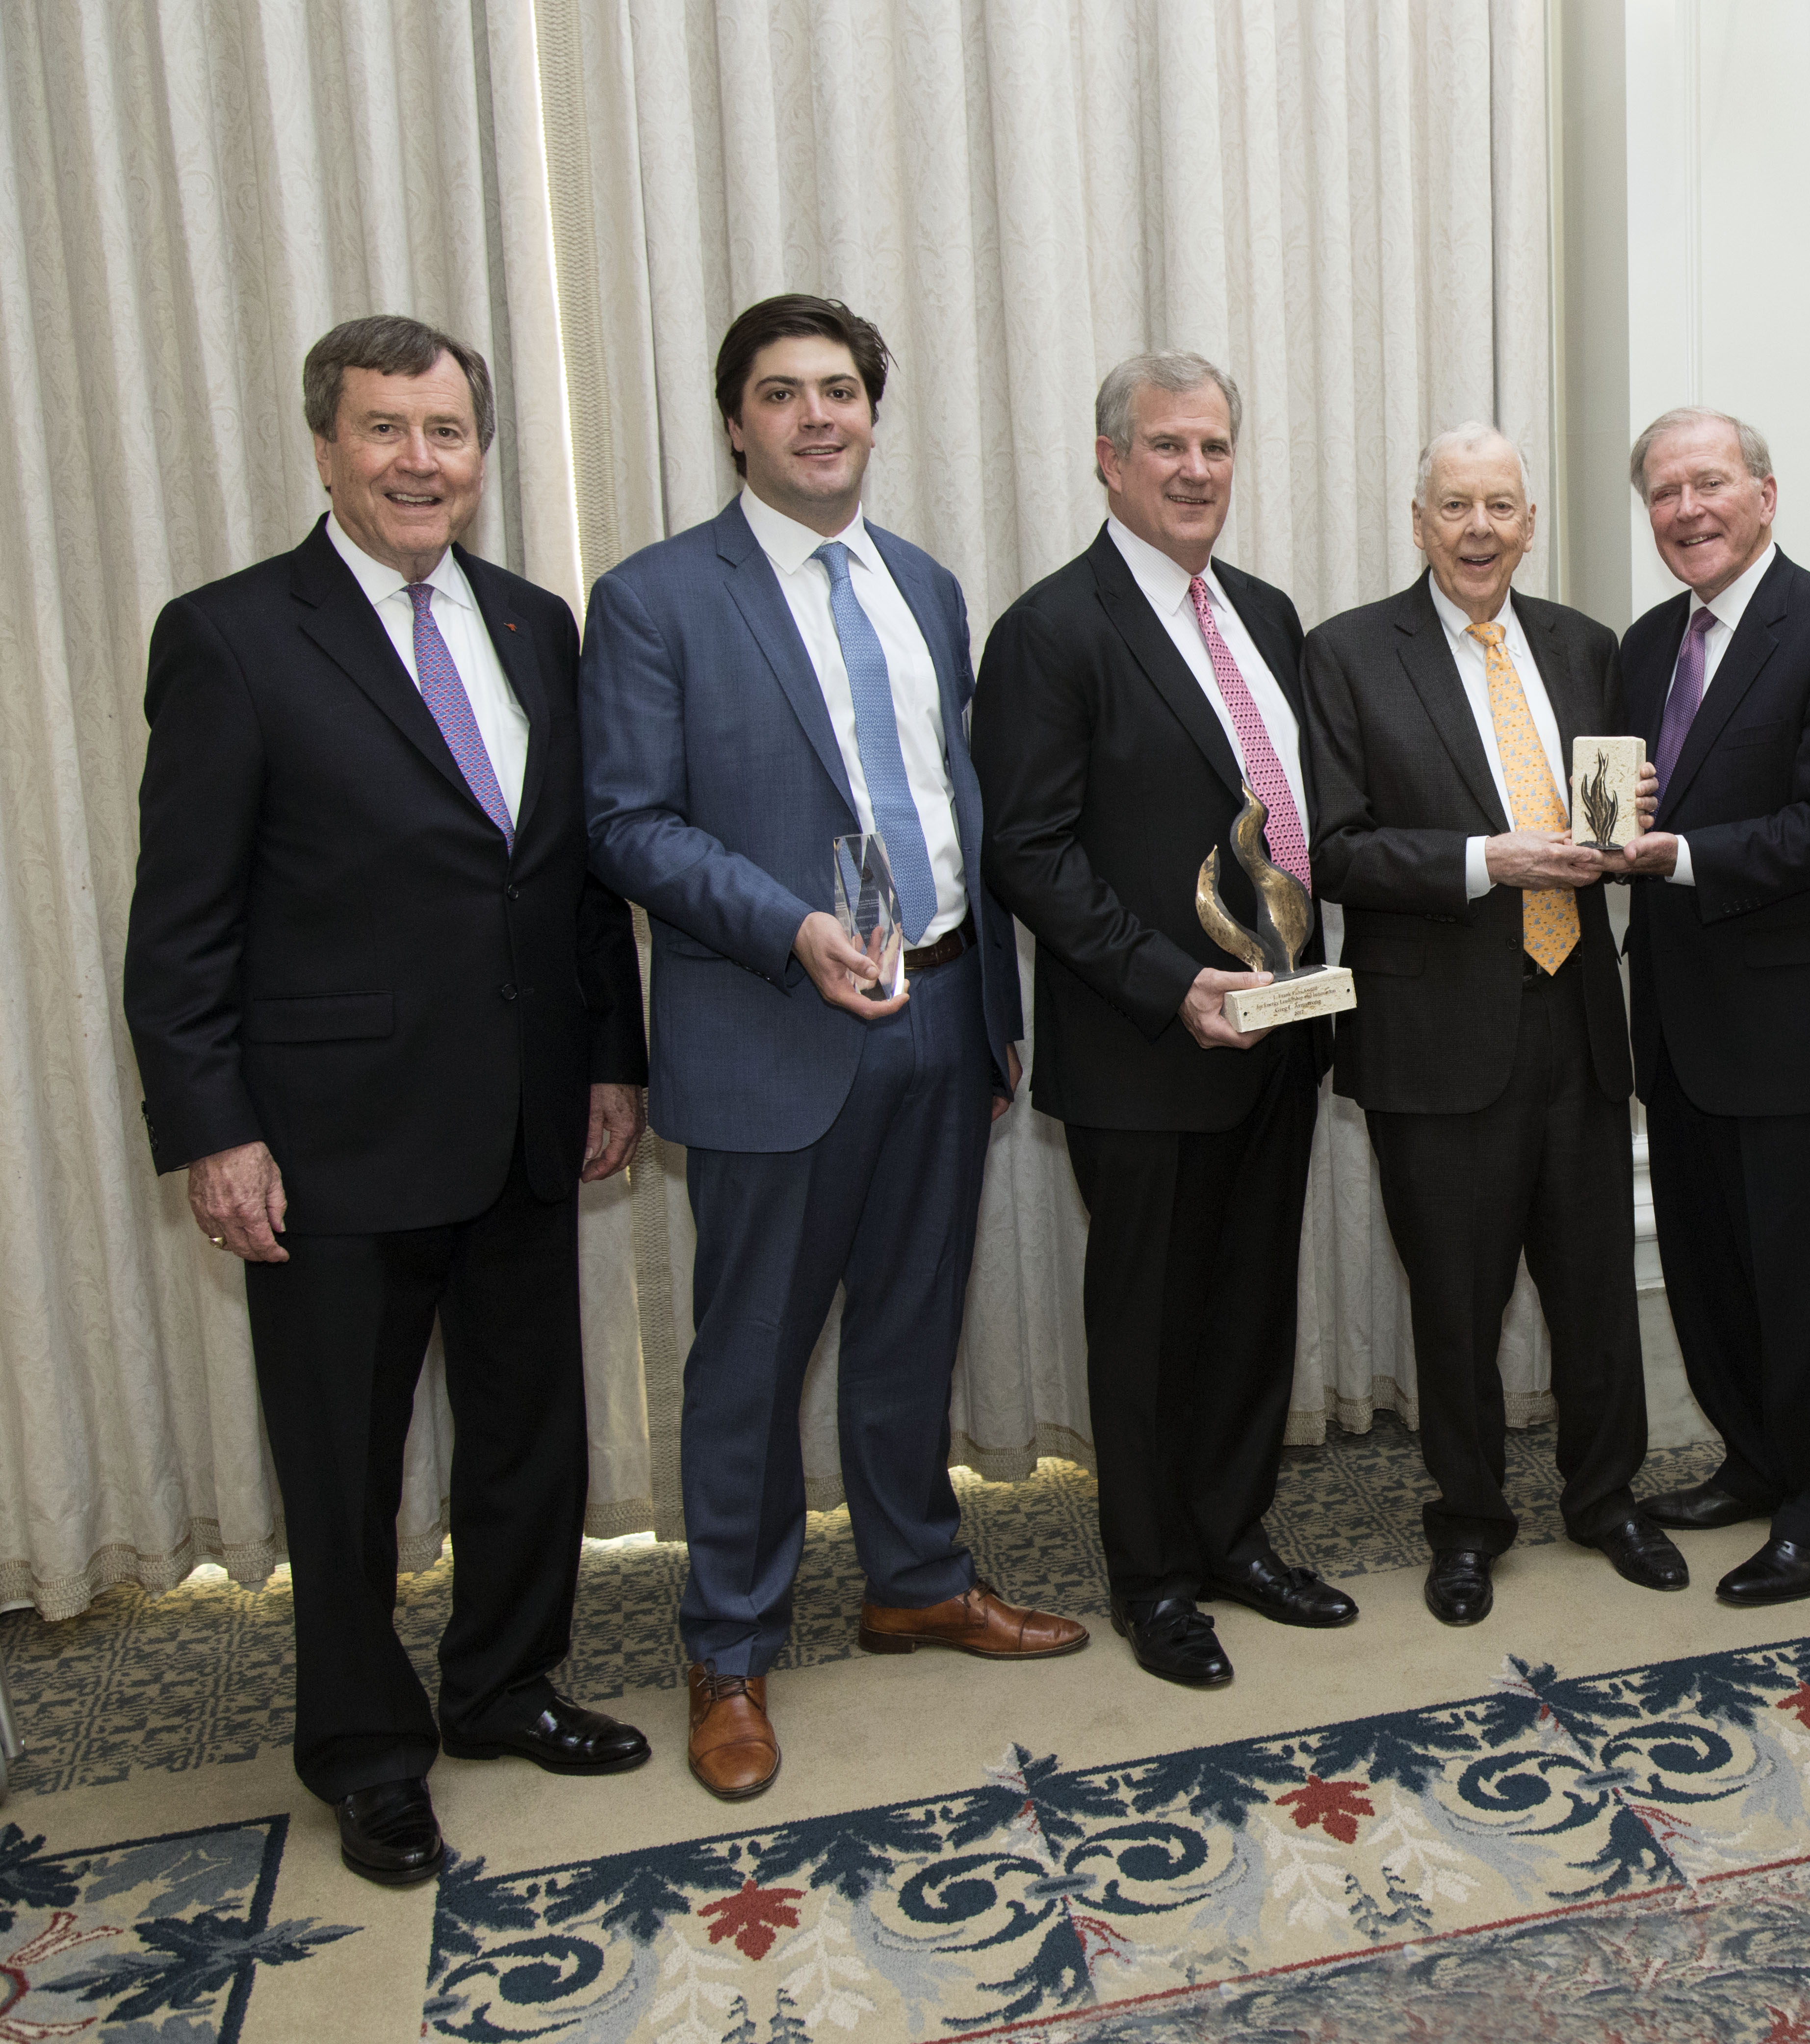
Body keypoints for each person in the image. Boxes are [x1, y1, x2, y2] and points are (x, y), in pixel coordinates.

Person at [122, 315, 651, 1884]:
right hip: (331, 1137)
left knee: (526, 1435)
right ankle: (364, 1749)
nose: (421, 462)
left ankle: (503, 1684)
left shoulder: (532, 621)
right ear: (325, 446)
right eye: (385, 432)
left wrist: (612, 1058)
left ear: (479, 455)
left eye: (447, 433)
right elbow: (182, 922)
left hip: (526, 1116)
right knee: (343, 1467)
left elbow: (564, 881)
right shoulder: (229, 637)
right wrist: (214, 1128)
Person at [582, 294, 1082, 1800]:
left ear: (875, 413)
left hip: (939, 1009)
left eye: (843, 392)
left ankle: (914, 1577)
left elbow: (958, 812)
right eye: (783, 394)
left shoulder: (926, 587)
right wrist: (790, 926)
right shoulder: (658, 597)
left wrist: (991, 1008)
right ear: (734, 421)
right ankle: (727, 1649)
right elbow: (625, 822)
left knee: (914, 1326)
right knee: (748, 1359)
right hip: (774, 1022)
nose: (818, 417)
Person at [974, 352, 1357, 1690]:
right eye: (1165, 448)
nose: (1194, 471)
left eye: (1213, 447)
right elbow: (1027, 851)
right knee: (1146, 1323)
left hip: (1286, 1023)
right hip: (1146, 1042)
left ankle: (1230, 1534)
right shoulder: (1050, 629)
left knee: (1252, 1303)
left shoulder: (1262, 609)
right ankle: (1150, 1578)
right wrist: (1161, 981)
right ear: (1107, 458)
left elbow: (1290, 819)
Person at [1300, 423, 1685, 1628]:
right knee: (1456, 1302)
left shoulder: (1587, 646)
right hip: (1435, 1038)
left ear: (1532, 522)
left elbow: (1602, 811)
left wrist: (1627, 829)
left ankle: (1607, 1496)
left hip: (1577, 1020)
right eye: (1455, 507)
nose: (1479, 530)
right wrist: (1486, 858)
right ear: (1419, 523)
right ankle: (1468, 1519)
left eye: (1501, 507)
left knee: (1594, 1290)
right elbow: (1336, 846)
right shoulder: (1350, 653)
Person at [1604, 408, 1810, 1605]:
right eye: (1665, 492)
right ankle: (1755, 1459)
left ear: (1766, 494)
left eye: (1710, 483)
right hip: (1678, 1021)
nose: (1688, 510)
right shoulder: (1643, 643)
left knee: (1804, 1282)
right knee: (1713, 1268)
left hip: (1793, 1029)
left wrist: (1674, 856)